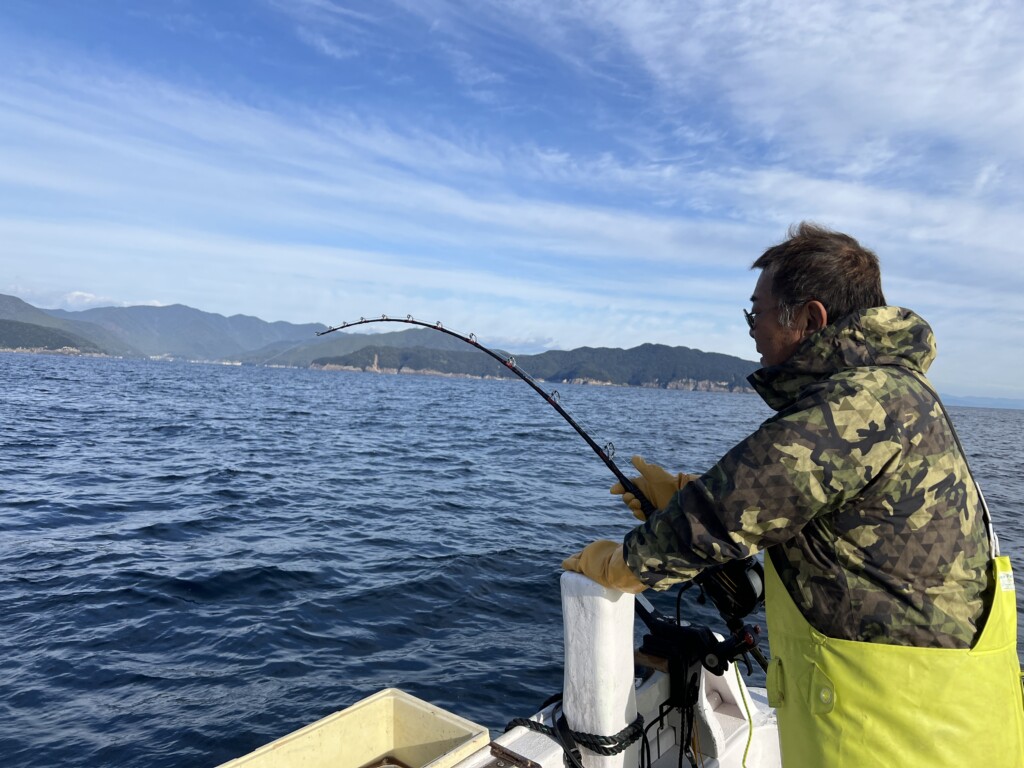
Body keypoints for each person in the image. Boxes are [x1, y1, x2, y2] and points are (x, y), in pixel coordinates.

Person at [563, 222, 1024, 766]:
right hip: (965, 721)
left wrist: (621, 564)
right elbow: (810, 503)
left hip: (897, 738)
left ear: (810, 319)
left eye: (755, 311)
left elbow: (716, 517)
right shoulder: (900, 392)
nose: (751, 329)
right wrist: (684, 490)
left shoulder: (856, 405)